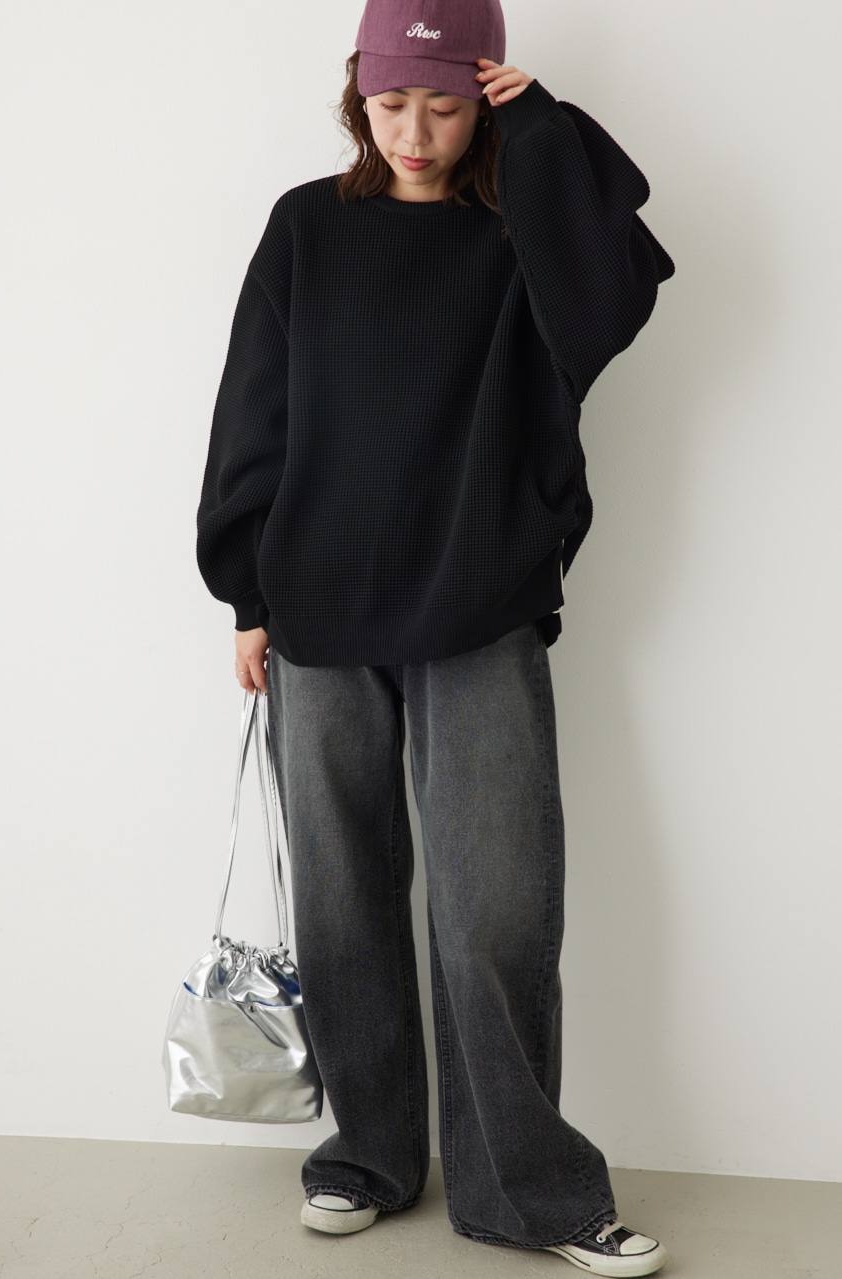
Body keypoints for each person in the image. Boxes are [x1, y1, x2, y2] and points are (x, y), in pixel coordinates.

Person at [196, 0, 674, 1273]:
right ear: (358, 96)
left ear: (484, 100)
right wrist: (245, 595)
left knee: (496, 910)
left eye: (447, 104)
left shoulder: (522, 234)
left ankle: (531, 1191)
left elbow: (614, 299)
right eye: (392, 102)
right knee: (343, 899)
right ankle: (367, 1154)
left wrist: (547, 131)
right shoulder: (307, 226)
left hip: (478, 599)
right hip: (317, 605)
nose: (415, 131)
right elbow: (253, 406)